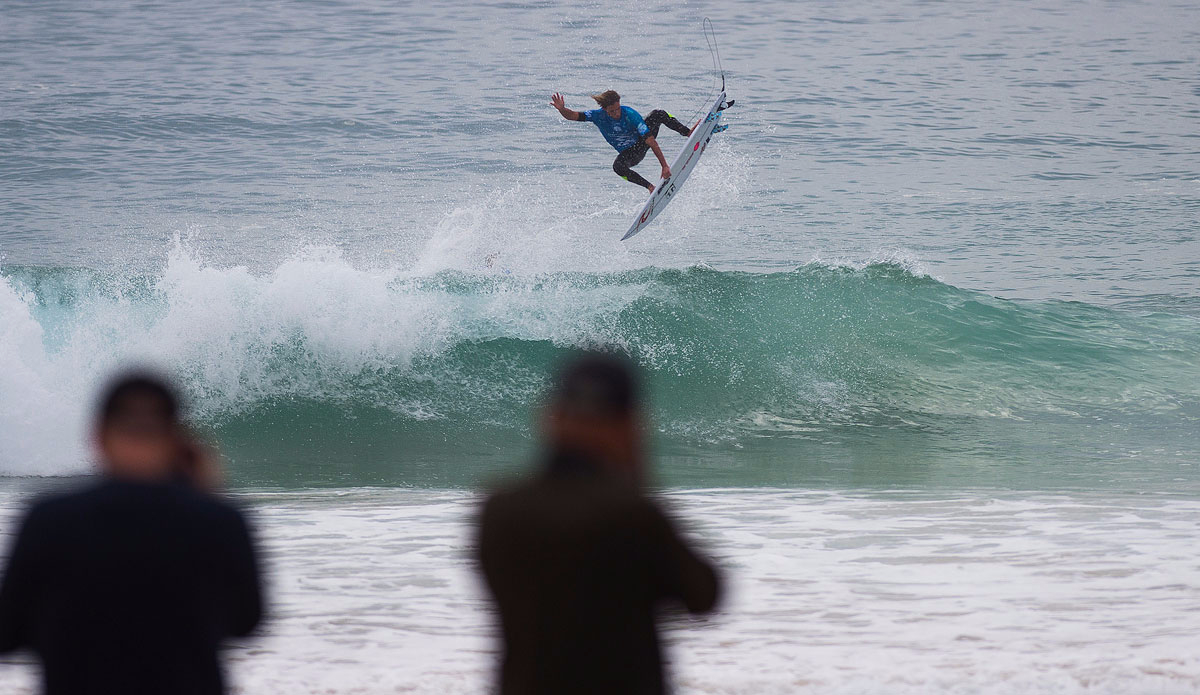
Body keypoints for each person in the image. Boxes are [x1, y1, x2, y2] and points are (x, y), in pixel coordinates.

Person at [0, 371, 263, 695]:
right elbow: (246, 622)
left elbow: (9, 634)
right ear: (176, 439)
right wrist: (206, 492)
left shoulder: (49, 519)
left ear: (97, 436)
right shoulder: (219, 520)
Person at [477, 352, 721, 695]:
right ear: (629, 424)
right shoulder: (632, 514)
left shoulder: (499, 509)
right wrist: (638, 480)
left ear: (552, 415)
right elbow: (704, 596)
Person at [551, 90, 694, 192]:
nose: (616, 113)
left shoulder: (629, 114)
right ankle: (650, 187)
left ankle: (688, 132)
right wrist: (562, 109)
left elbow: (651, 141)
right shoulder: (597, 116)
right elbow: (572, 116)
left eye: (617, 109)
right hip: (630, 153)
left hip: (641, 142)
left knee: (658, 114)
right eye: (612, 111)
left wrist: (664, 166)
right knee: (617, 167)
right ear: (604, 109)